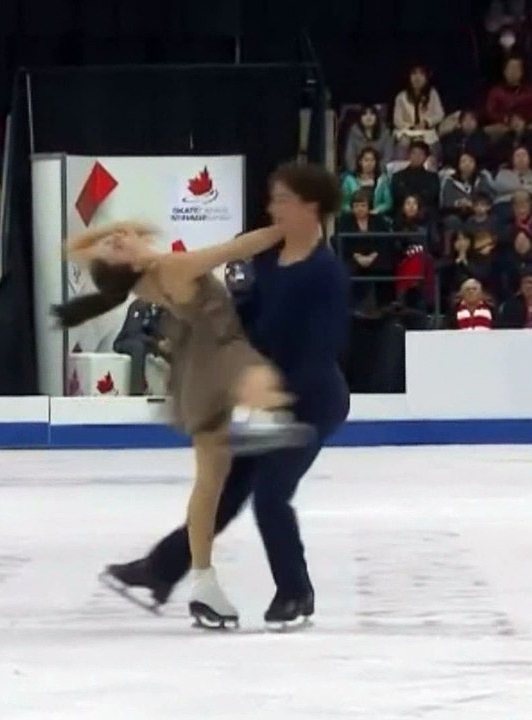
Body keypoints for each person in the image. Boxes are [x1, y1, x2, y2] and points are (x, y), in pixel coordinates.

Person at [100, 162, 351, 630]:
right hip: (264, 399)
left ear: (310, 207)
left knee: (271, 496)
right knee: (227, 493)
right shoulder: (266, 260)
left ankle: (296, 592)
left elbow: (321, 348)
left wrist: (273, 399)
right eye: (273, 197)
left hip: (312, 402)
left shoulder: (325, 274)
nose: (272, 207)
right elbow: (240, 319)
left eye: (282, 199)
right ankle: (160, 570)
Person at [55, 217, 311, 629]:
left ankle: (204, 583)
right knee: (255, 373)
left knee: (209, 484)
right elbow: (236, 249)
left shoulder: (138, 281)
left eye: (113, 240)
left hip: (194, 369)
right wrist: (290, 228)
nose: (115, 238)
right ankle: (265, 417)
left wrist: (116, 236)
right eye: (115, 248)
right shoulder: (173, 267)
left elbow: (73, 247)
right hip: (221, 353)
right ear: (130, 265)